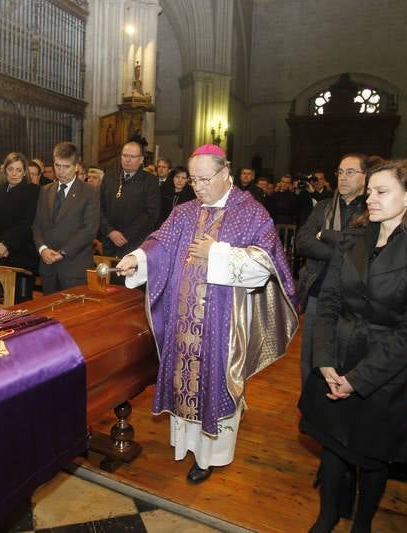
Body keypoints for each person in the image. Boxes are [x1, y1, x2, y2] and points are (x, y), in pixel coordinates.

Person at [115, 144, 298, 484]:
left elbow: (267, 265)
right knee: (187, 384)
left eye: (204, 179)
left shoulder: (252, 213)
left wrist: (218, 254)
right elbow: (161, 243)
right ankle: (188, 447)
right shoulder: (185, 212)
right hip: (185, 321)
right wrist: (137, 258)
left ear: (225, 172)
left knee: (215, 383)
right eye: (193, 180)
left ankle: (210, 456)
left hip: (222, 323)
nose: (197, 187)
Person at [298, 160, 407, 533]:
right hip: (338, 354)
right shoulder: (354, 238)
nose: (372, 198)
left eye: (382, 192)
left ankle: (362, 524)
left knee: (372, 456)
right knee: (332, 446)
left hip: (383, 368)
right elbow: (329, 302)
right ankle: (327, 514)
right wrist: (324, 361)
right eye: (370, 191)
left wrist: (358, 380)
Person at [296, 153, 368, 386]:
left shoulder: (370, 210)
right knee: (311, 356)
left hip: (354, 297)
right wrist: (341, 251)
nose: (343, 177)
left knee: (347, 355)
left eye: (350, 172)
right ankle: (309, 404)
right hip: (319, 290)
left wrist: (325, 235)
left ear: (365, 177)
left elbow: (363, 247)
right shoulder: (325, 207)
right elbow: (303, 241)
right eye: (339, 172)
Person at [32, 142, 100, 294]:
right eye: (57, 165)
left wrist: (62, 252)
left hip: (74, 268)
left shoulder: (89, 192)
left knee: (74, 316)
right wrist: (42, 249)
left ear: (76, 167)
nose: (60, 171)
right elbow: (37, 225)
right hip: (47, 266)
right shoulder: (45, 190)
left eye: (66, 166)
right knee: (49, 316)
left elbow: (89, 230)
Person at [99, 141, 160, 258]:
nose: (127, 160)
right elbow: (99, 208)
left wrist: (127, 235)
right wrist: (110, 232)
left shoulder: (150, 181)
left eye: (132, 157)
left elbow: (151, 214)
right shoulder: (109, 178)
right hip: (109, 242)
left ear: (141, 159)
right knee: (109, 276)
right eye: (125, 155)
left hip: (135, 243)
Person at [0, 152, 40, 275]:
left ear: (25, 172)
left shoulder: (33, 191)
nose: (14, 174)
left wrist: (6, 244)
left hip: (20, 249)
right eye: (10, 169)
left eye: (18, 170)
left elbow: (26, 223)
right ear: (5, 170)